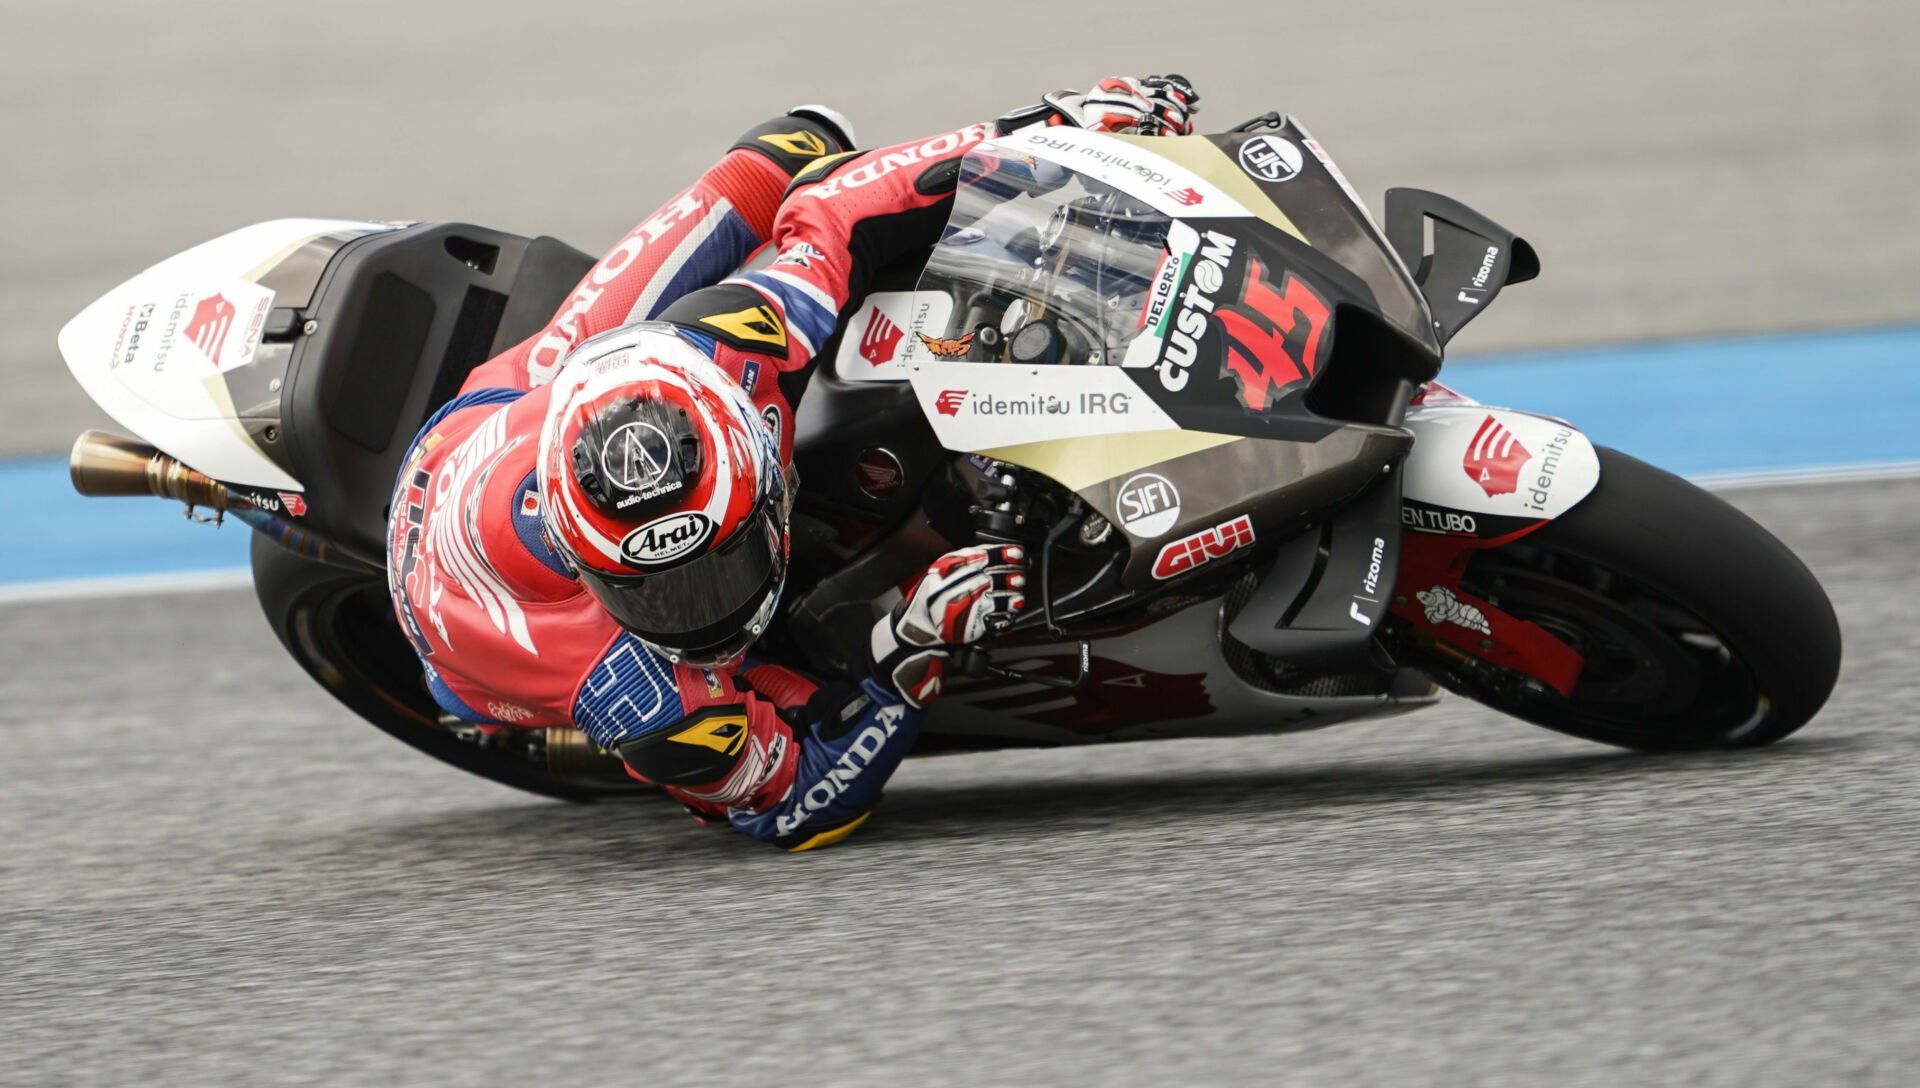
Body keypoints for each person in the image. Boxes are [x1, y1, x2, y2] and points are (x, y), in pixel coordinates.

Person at [387, 76, 1200, 849]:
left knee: (797, 148)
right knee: (792, 697)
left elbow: (838, 207)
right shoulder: (639, 694)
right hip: (459, 551)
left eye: (712, 571)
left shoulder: (738, 344)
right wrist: (912, 643)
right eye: (659, 594)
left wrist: (1055, 130)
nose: (701, 617)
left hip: (529, 405)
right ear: (580, 557)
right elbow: (799, 808)